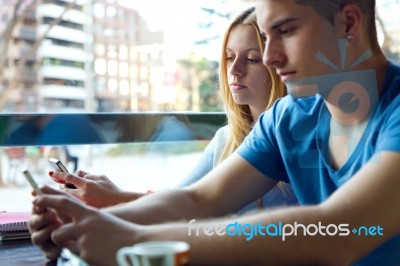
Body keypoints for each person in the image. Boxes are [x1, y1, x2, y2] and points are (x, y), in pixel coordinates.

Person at [29, 1, 400, 265]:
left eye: (285, 31)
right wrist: (89, 222)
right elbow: (197, 200)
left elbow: (338, 234)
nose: (270, 57)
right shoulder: (288, 118)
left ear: (348, 23)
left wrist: (134, 240)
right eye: (266, 38)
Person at [48, 7, 296, 212]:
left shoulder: (298, 139)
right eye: (229, 57)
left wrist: (116, 198)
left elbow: (188, 207)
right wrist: (113, 196)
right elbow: (184, 200)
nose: (234, 70)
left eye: (251, 59)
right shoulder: (226, 140)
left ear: (278, 62)